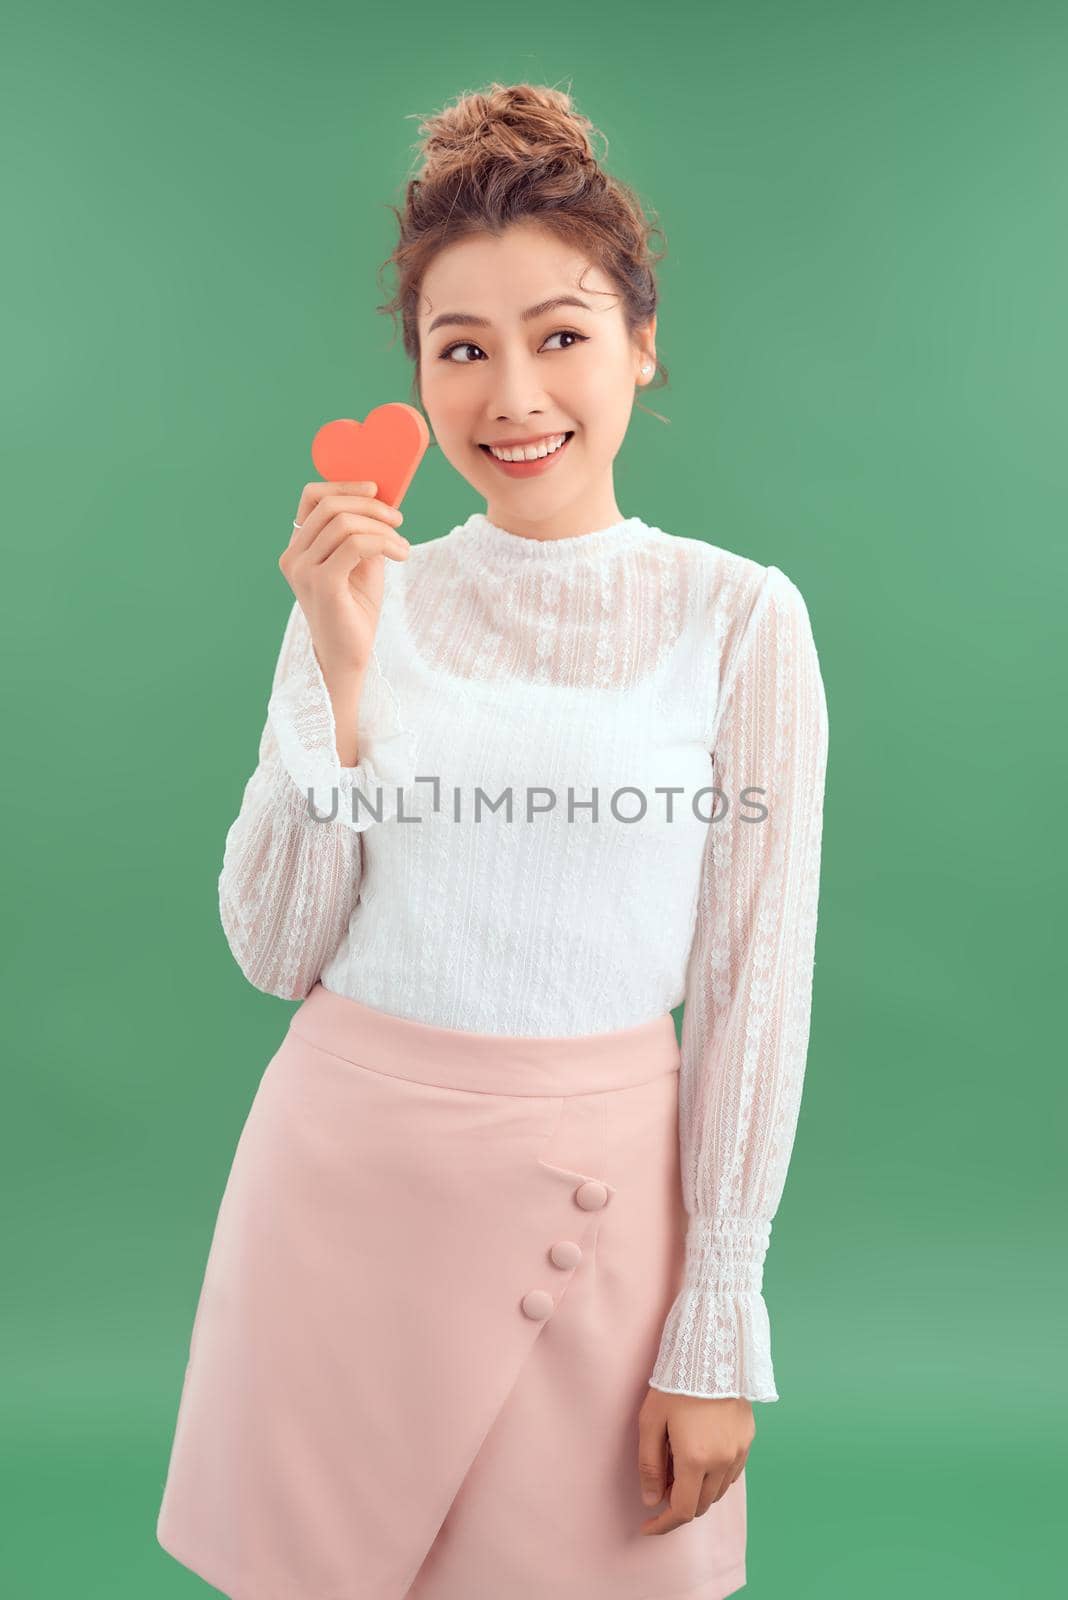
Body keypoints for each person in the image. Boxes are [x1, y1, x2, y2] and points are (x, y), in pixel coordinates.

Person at [156, 80, 829, 1600]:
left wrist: (718, 1321)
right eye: (463, 350)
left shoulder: (738, 619)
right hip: (337, 1205)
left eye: (562, 334)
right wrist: (337, 681)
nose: (514, 393)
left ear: (642, 346)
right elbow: (274, 953)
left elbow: (750, 989)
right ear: (417, 378)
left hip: (597, 1222)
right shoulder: (363, 583)